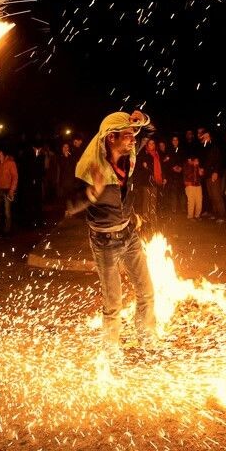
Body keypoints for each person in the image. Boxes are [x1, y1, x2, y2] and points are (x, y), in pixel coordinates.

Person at [66, 110, 156, 362]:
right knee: (113, 302)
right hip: (105, 241)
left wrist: (142, 120)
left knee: (146, 291)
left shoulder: (129, 154)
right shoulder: (89, 167)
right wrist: (91, 193)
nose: (133, 139)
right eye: (127, 135)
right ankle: (111, 351)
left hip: (129, 233)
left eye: (132, 135)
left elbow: (149, 131)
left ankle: (147, 336)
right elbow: (70, 206)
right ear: (110, 137)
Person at [0, 146, 18, 237]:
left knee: (7, 212)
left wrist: (11, 190)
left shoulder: (11, 163)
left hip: (7, 191)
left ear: (1, 153)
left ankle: (7, 230)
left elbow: (15, 177)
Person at [199, 130, 226, 223]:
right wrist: (202, 169)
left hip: (213, 174)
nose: (205, 138)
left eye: (207, 136)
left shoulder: (214, 147)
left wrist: (216, 172)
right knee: (211, 195)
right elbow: (204, 161)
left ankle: (222, 215)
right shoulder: (204, 148)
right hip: (207, 175)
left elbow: (218, 160)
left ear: (210, 137)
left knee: (216, 195)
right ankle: (215, 214)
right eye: (204, 136)